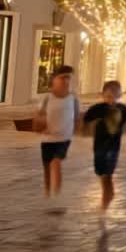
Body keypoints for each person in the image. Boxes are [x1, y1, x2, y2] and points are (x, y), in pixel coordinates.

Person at [82, 80, 126, 212]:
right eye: (108, 96)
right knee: (102, 174)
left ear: (120, 95)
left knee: (107, 174)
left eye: (115, 96)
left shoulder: (123, 109)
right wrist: (83, 130)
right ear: (103, 95)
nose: (111, 100)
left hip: (113, 149)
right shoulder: (98, 109)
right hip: (99, 148)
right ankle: (107, 196)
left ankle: (105, 203)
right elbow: (85, 120)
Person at [36, 70, 80, 199]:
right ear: (54, 80)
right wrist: (40, 125)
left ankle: (57, 196)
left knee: (56, 162)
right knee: (47, 167)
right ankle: (47, 193)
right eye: (62, 78)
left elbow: (77, 117)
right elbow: (39, 114)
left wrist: (77, 130)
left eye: (68, 79)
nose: (65, 82)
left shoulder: (73, 99)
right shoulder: (47, 98)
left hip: (64, 138)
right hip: (48, 139)